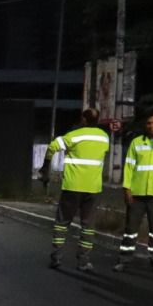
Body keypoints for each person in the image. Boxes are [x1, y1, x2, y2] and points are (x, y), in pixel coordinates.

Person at [39, 107, 111, 271]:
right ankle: (84, 261)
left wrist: (45, 168)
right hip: (93, 187)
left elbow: (52, 147)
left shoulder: (74, 135)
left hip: (73, 186)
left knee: (62, 223)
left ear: (83, 119)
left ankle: (56, 257)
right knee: (88, 225)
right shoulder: (104, 138)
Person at [116, 112, 153, 273]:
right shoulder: (136, 143)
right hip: (137, 193)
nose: (151, 126)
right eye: (148, 123)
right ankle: (124, 260)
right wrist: (127, 188)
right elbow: (128, 167)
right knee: (130, 230)